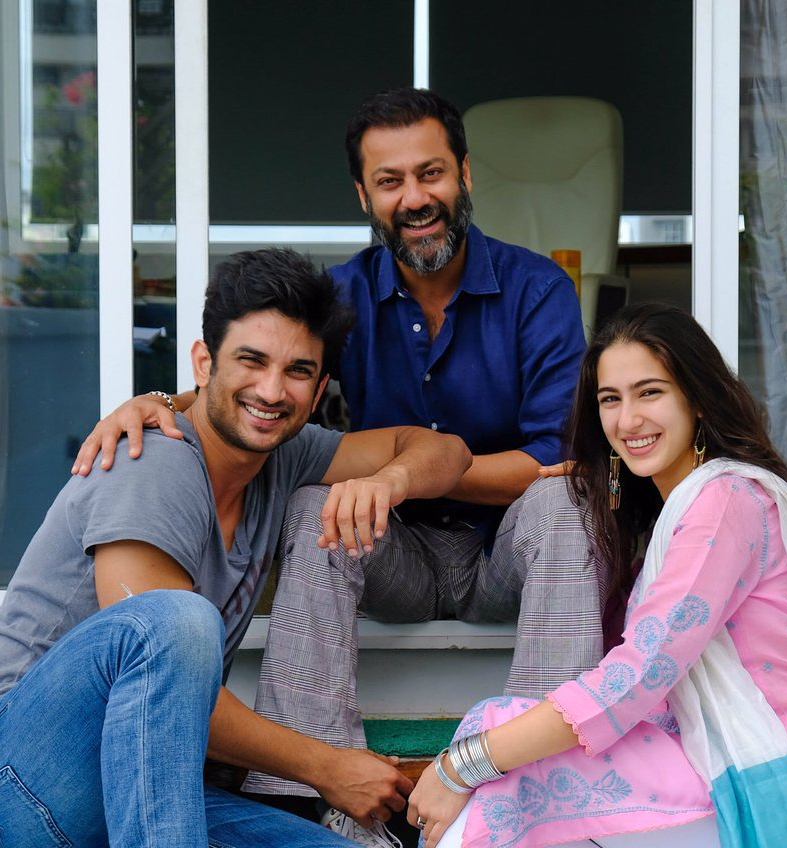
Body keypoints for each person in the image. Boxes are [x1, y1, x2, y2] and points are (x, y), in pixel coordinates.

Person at [75, 86, 602, 802]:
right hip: (392, 557)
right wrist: (162, 402)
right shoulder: (339, 298)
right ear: (363, 193)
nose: (415, 198)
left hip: (503, 551)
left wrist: (406, 476)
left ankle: (541, 782)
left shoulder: (539, 289)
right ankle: (310, 792)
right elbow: (264, 393)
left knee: (565, 502)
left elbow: (553, 463)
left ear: (466, 175)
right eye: (390, 181)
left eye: (431, 173)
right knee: (311, 508)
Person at [0, 248, 472, 847]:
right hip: (27, 776)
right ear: (204, 362)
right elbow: (159, 668)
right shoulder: (155, 461)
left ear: (320, 385)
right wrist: (326, 767)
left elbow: (445, 452)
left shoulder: (284, 455)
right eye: (251, 360)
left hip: (146, 782)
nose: (272, 391)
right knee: (173, 621)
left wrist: (388, 482)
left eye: (298, 371)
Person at [406, 303, 787, 848]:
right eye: (610, 400)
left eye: (650, 392)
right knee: (502, 738)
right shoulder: (682, 509)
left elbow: (637, 677)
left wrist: (460, 766)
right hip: (706, 752)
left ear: (698, 399)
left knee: (508, 769)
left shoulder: (726, 500)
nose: (627, 420)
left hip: (780, 772)